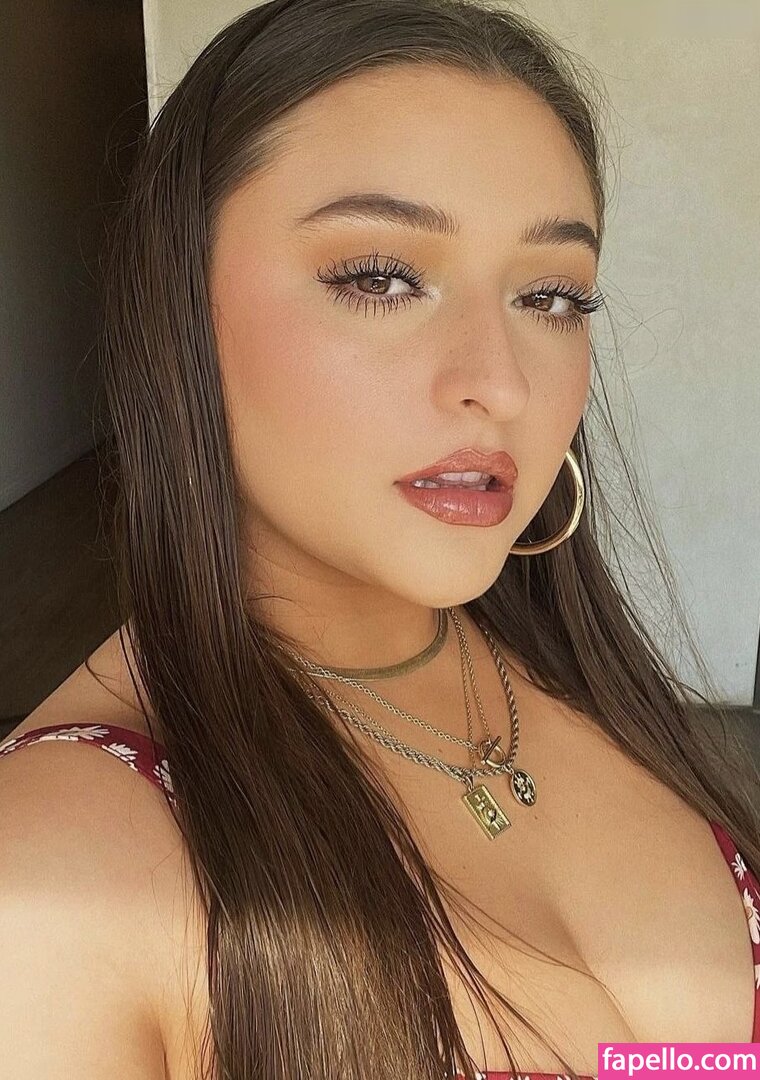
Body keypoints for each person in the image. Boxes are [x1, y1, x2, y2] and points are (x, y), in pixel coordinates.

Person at [1, 0, 758, 1078]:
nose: (500, 384)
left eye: (550, 295)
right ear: (176, 307)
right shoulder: (57, 884)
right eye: (380, 278)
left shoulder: (580, 676)